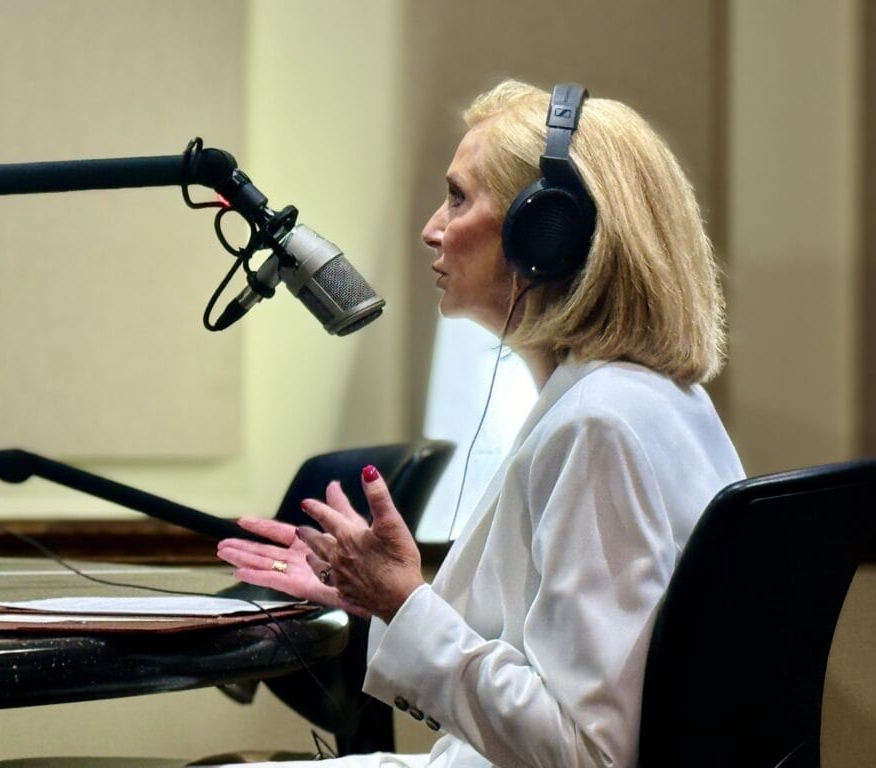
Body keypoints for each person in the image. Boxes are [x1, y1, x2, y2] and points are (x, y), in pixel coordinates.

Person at [216, 79, 744, 768]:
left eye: (458, 198)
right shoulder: (655, 402)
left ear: (546, 233)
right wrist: (385, 599)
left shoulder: (599, 427)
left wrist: (407, 605)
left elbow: (587, 754)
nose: (431, 229)